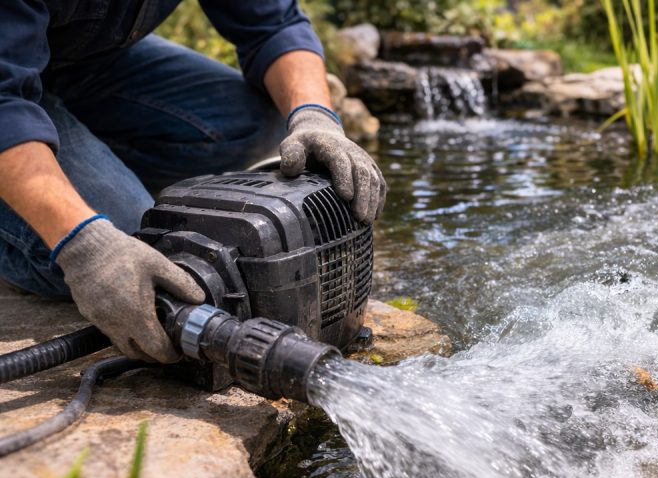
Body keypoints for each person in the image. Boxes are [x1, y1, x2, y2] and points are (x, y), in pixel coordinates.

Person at [0, 1, 386, 363]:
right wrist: (84, 243)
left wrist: (315, 117)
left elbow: (274, 24)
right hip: (8, 93)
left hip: (78, 64)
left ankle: (82, 163)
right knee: (131, 243)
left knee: (259, 127)